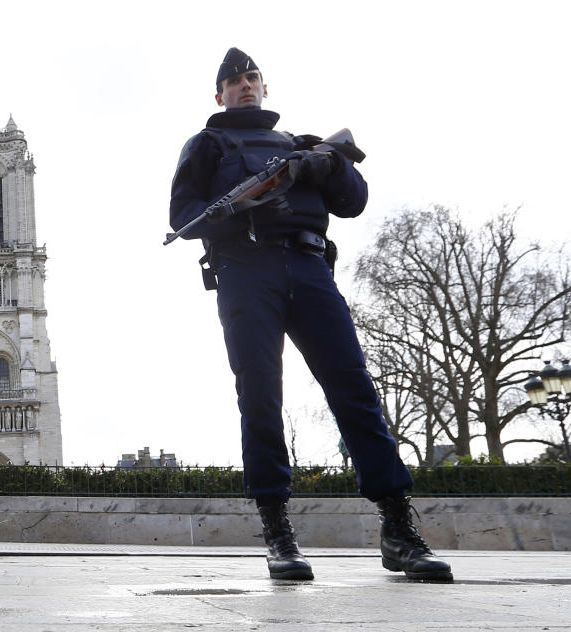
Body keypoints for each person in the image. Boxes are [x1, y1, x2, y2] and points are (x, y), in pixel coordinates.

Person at [169, 48, 451, 581]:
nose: (245, 86)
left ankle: (398, 530)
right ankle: (278, 533)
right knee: (259, 396)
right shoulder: (207, 145)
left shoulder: (299, 145)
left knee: (355, 389)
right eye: (234, 82)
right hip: (246, 271)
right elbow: (184, 220)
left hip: (309, 265)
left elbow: (354, 202)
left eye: (252, 78)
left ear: (265, 87)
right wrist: (248, 207)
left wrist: (331, 164)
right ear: (218, 95)